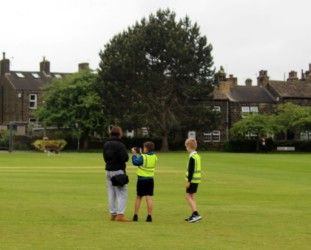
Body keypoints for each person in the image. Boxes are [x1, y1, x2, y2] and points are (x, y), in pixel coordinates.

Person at [103, 126, 130, 222]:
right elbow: (126, 158)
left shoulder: (106, 144)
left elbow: (105, 158)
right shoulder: (120, 145)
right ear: (120, 133)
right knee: (122, 192)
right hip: (118, 170)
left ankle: (113, 214)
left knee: (111, 193)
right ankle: (120, 214)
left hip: (108, 170)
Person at [131, 141, 158, 222]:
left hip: (142, 179)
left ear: (146, 148)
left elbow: (136, 162)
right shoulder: (155, 157)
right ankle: (149, 216)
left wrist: (134, 155)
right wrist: (141, 154)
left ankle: (135, 215)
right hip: (150, 179)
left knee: (139, 197)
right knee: (149, 197)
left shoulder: (143, 157)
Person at [184, 138, 202, 223]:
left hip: (192, 180)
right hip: (197, 180)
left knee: (188, 196)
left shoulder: (192, 157)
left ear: (189, 146)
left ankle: (196, 214)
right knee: (192, 196)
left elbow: (191, 171)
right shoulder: (197, 156)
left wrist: (188, 181)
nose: (186, 148)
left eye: (186, 147)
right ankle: (194, 215)